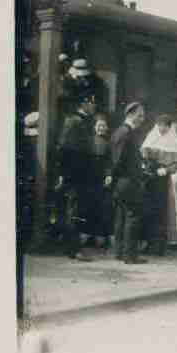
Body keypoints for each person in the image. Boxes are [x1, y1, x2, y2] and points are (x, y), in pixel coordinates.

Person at [55, 91, 99, 261]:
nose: (94, 106)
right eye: (92, 102)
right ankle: (73, 249)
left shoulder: (84, 121)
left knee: (77, 210)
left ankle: (73, 248)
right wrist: (62, 174)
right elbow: (65, 148)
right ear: (84, 103)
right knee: (73, 210)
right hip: (74, 175)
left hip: (82, 175)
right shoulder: (74, 121)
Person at [109, 102, 148, 264]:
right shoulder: (126, 133)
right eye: (140, 115)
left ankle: (119, 252)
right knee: (132, 217)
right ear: (130, 115)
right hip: (127, 182)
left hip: (123, 182)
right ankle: (130, 256)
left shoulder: (124, 132)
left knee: (121, 217)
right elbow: (117, 161)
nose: (142, 118)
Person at [140, 114, 174, 257]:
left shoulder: (173, 141)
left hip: (162, 176)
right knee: (149, 209)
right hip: (149, 175)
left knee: (160, 210)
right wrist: (145, 164)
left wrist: (166, 169)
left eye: (165, 126)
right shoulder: (151, 136)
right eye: (160, 125)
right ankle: (149, 243)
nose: (162, 128)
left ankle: (159, 245)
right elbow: (143, 152)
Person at [87, 113, 114, 250]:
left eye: (104, 126)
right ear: (94, 127)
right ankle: (87, 236)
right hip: (89, 177)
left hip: (102, 179)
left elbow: (110, 162)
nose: (101, 128)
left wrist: (109, 175)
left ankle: (100, 237)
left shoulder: (109, 144)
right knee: (88, 206)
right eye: (99, 125)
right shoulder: (88, 141)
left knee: (102, 208)